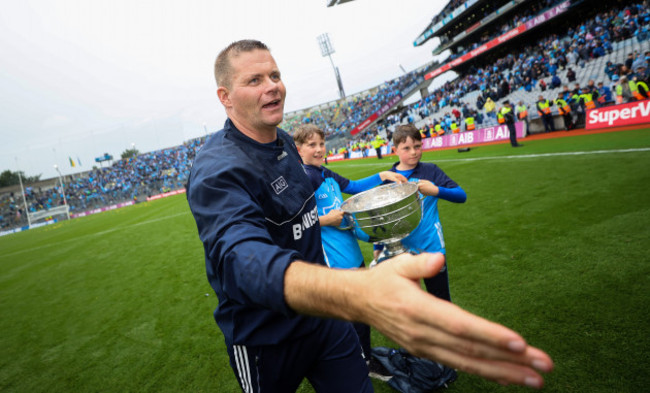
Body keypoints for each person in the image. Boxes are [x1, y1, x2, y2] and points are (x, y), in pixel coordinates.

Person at [187, 39, 553, 393]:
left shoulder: (284, 142)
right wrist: (358, 292)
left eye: (275, 75)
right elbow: (240, 260)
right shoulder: (217, 168)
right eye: (254, 80)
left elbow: (318, 213)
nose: (273, 87)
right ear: (226, 97)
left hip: (326, 320)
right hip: (265, 335)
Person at [292, 123, 407, 381]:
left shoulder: (324, 173)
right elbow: (294, 222)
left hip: (351, 253)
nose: (319, 149)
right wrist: (326, 220)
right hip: (334, 262)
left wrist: (382, 176)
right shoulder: (304, 178)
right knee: (353, 317)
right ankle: (360, 365)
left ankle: (362, 359)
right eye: (312, 145)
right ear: (298, 150)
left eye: (321, 144)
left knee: (359, 314)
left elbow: (354, 186)